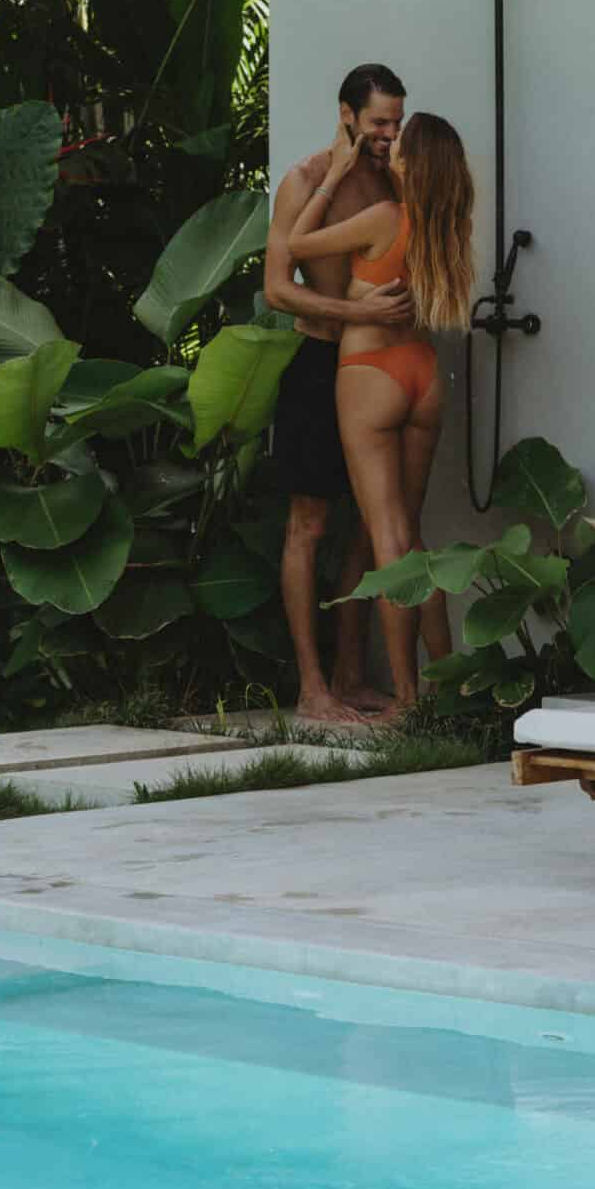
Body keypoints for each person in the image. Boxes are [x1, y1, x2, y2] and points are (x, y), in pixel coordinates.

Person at [287, 111, 472, 714]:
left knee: (389, 541)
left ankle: (409, 701)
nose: (390, 143)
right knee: (414, 538)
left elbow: (296, 244)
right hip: (424, 377)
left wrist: (329, 177)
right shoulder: (448, 227)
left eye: (401, 140)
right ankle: (448, 687)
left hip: (372, 376)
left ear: (412, 162)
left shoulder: (385, 216)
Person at [264, 64, 420, 724]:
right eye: (380, 121)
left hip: (377, 366)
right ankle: (311, 689)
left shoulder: (392, 180)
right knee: (309, 524)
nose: (389, 133)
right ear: (347, 115)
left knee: (368, 529)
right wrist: (359, 315)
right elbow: (277, 288)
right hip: (318, 358)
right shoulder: (302, 182)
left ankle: (353, 674)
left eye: (397, 120)